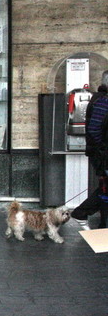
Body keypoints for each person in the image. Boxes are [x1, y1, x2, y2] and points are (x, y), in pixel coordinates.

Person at [71, 70, 108, 230]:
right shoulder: (103, 102)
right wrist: (103, 150)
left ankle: (97, 221)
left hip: (102, 153)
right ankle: (83, 213)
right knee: (105, 189)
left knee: (105, 188)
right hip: (103, 154)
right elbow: (94, 130)